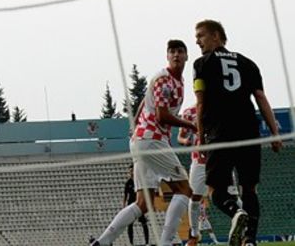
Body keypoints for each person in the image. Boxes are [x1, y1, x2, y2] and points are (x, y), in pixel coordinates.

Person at [91, 40, 196, 246]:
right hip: (152, 140)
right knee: (184, 189)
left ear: (186, 56)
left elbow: (143, 102)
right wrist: (191, 125)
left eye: (180, 51)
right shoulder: (164, 81)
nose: (176, 55)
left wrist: (134, 128)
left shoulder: (178, 80)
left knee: (143, 203)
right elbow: (162, 115)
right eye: (172, 51)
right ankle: (166, 242)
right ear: (167, 56)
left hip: (141, 140)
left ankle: (102, 242)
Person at [193, 19, 284, 246]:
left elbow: (200, 103)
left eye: (201, 35)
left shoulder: (201, 64)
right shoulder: (248, 63)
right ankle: (249, 240)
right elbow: (261, 98)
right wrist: (274, 133)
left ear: (217, 36)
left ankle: (235, 213)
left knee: (215, 189)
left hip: (220, 134)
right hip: (249, 132)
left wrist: (201, 137)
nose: (197, 41)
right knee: (249, 188)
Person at [179, 104, 220, 246]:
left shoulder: (218, 108)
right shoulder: (189, 112)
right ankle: (194, 235)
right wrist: (186, 141)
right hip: (199, 160)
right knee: (194, 197)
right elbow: (181, 137)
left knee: (227, 194)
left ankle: (243, 232)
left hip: (218, 157)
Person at [122, 167, 149, 246]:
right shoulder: (128, 183)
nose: (131, 173)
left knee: (144, 223)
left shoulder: (139, 181)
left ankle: (147, 242)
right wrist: (123, 206)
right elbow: (125, 195)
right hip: (130, 204)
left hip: (139, 203)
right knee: (130, 224)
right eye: (130, 171)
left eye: (132, 171)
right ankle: (131, 242)